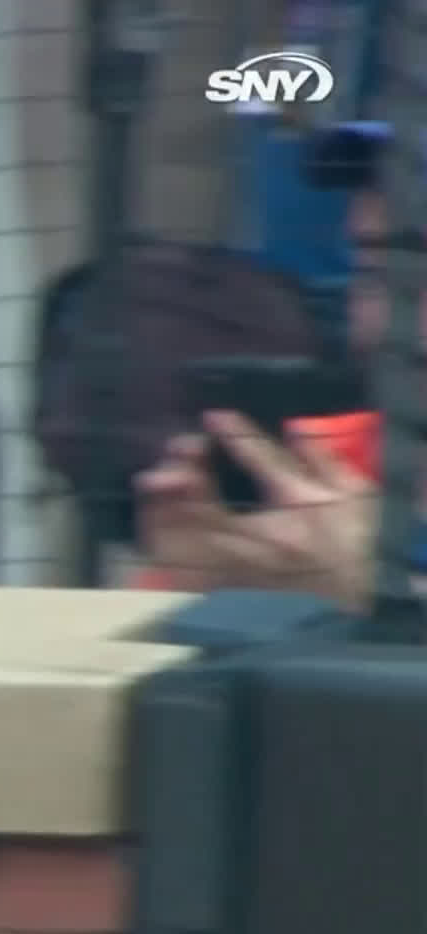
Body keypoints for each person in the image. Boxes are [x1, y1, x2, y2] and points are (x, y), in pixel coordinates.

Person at [131, 119, 427, 610]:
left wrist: (385, 602)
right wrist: (200, 597)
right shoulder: (303, 474)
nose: (395, 318)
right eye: (378, 273)